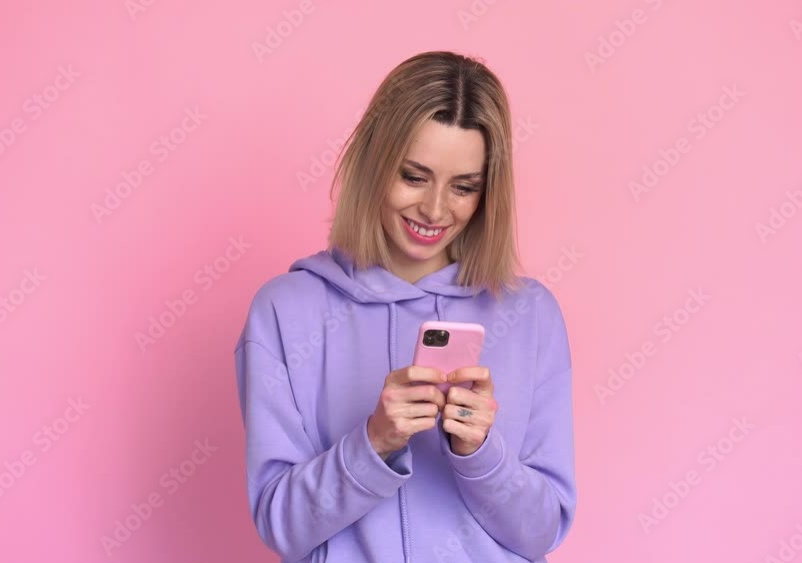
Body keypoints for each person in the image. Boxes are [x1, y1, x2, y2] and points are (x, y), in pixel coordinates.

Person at [234, 50, 576, 563]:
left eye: (464, 187)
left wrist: (480, 453)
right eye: (414, 176)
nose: (435, 210)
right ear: (374, 164)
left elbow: (542, 531)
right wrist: (373, 442)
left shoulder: (530, 316)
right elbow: (282, 526)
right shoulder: (284, 311)